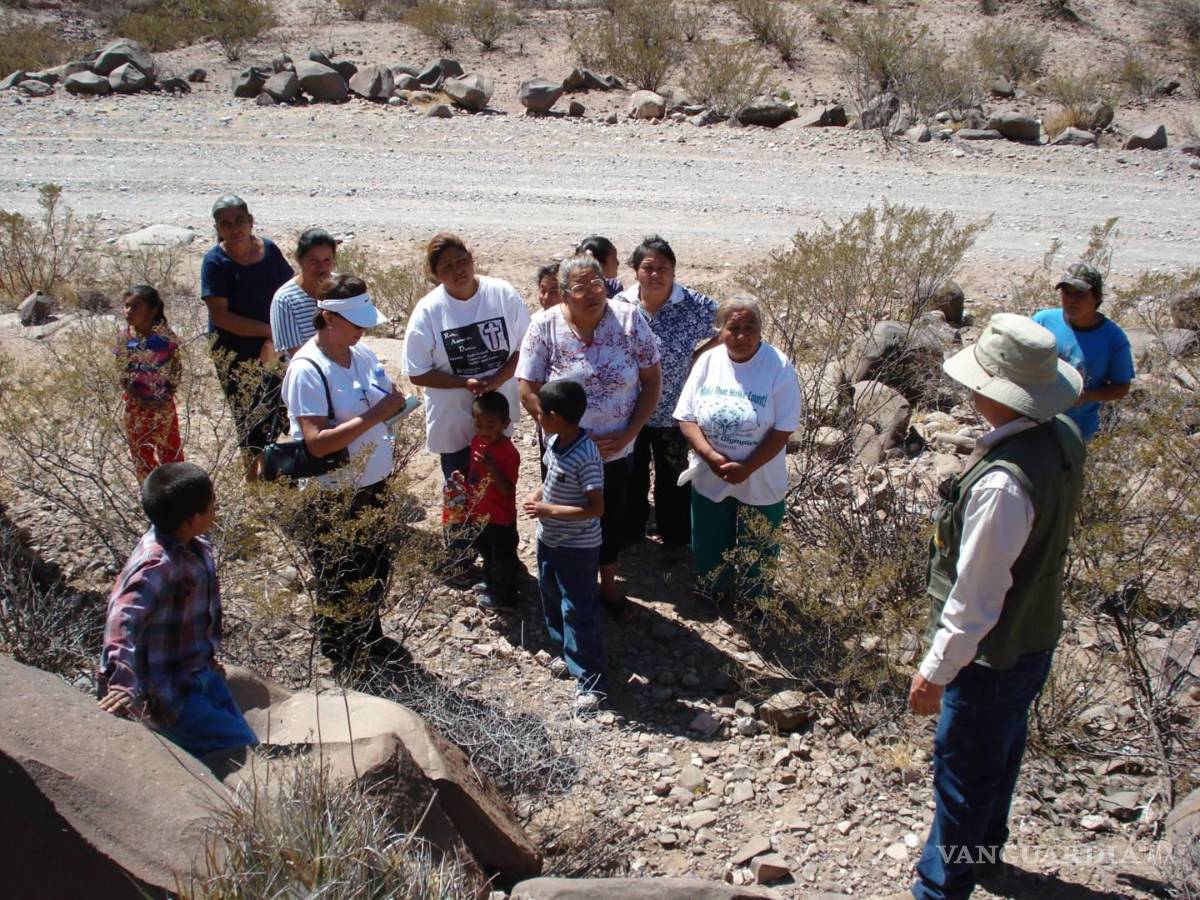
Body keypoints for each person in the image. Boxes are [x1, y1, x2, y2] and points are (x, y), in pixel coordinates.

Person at [906, 314, 1085, 900]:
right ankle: (984, 855)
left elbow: (976, 598)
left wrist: (935, 673)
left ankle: (942, 889)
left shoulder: (1002, 484)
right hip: (1034, 636)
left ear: (994, 390)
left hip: (988, 656)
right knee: (1001, 753)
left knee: (961, 773)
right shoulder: (1061, 436)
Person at [281, 274, 411, 672]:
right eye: (356, 323)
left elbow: (385, 398)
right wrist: (378, 413)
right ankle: (343, 651)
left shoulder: (363, 355)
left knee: (374, 565)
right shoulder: (307, 369)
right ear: (328, 318)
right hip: (333, 491)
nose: (362, 331)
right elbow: (317, 442)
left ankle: (370, 634)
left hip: (373, 482)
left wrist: (395, 404)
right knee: (339, 571)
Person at [517, 254, 662, 611]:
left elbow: (652, 379)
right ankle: (566, 582)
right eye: (580, 287)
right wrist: (560, 433)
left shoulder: (628, 318)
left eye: (597, 284)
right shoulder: (545, 325)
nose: (592, 293)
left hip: (615, 446)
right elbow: (527, 387)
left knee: (608, 514)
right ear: (565, 294)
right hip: (565, 450)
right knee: (563, 511)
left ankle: (608, 582)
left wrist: (632, 431)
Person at [97, 463, 257, 758]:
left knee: (246, 742)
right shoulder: (157, 565)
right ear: (192, 518)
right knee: (236, 750)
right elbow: (122, 619)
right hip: (169, 692)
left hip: (199, 673)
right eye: (211, 504)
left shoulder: (195, 543)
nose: (216, 508)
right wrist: (121, 680)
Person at [402, 233, 530, 575]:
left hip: (495, 420)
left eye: (462, 261)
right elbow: (416, 372)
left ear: (472, 259)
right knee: (459, 487)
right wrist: (464, 383)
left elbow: (525, 347)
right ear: (435, 274)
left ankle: (501, 556)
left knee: (498, 486)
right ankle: (459, 556)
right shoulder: (429, 311)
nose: (458, 271)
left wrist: (501, 376)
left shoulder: (500, 294)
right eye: (447, 267)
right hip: (454, 420)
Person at [674, 297, 802, 605]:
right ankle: (714, 587)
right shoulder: (708, 361)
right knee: (708, 533)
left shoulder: (778, 366)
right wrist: (712, 457)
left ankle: (754, 599)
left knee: (759, 538)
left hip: (760, 475)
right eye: (733, 328)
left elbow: (783, 429)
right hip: (711, 470)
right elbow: (686, 417)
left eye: (750, 327)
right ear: (719, 331)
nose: (742, 336)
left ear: (761, 330)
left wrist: (748, 466)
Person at [615, 235, 719, 548]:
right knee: (630, 475)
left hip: (676, 410)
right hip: (630, 409)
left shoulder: (692, 304)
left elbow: (729, 325)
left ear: (674, 271)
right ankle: (631, 534)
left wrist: (700, 357)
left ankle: (675, 539)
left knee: (673, 477)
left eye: (664, 268)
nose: (656, 274)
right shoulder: (621, 305)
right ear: (635, 271)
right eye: (648, 267)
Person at [522, 380, 607, 710]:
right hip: (550, 540)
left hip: (577, 547)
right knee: (552, 597)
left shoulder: (586, 455)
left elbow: (595, 508)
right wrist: (538, 495)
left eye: (541, 413)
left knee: (577, 608)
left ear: (555, 416)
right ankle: (566, 654)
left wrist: (547, 510)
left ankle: (591, 681)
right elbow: (552, 480)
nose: (538, 417)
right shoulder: (555, 440)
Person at [200, 195, 294, 479]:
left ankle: (273, 469)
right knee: (248, 415)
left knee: (276, 407)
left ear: (250, 221)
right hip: (235, 350)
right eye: (226, 224)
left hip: (274, 346)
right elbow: (221, 316)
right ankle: (252, 481)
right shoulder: (215, 262)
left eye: (239, 220)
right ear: (218, 228)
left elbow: (289, 290)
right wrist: (269, 331)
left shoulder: (270, 251)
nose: (235, 228)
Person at [1031, 262, 1134, 442]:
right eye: (1066, 293)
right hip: (1031, 416)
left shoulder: (1113, 338)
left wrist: (1086, 396)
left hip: (1075, 428)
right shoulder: (1042, 321)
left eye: (1080, 293)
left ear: (1097, 297)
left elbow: (1121, 387)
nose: (1071, 300)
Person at [114, 284, 184, 480]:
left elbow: (176, 368)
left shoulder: (165, 339)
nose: (128, 311)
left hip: (163, 405)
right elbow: (122, 372)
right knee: (141, 454)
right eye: (126, 306)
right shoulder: (124, 339)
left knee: (170, 451)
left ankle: (177, 491)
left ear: (152, 310)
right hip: (136, 406)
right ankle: (151, 493)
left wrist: (167, 394)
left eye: (135, 306)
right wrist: (138, 397)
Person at [465, 391, 521, 610]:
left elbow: (508, 489)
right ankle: (491, 585)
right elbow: (473, 473)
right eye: (478, 425)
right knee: (487, 553)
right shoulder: (476, 441)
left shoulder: (508, 453)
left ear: (505, 423)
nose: (483, 431)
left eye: (490, 426)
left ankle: (505, 598)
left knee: (503, 558)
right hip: (479, 512)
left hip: (500, 518)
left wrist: (493, 470)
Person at [270, 227, 338, 360]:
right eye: (314, 261)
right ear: (299, 260)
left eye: (327, 261)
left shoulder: (340, 288)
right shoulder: (285, 300)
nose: (322, 268)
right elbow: (296, 354)